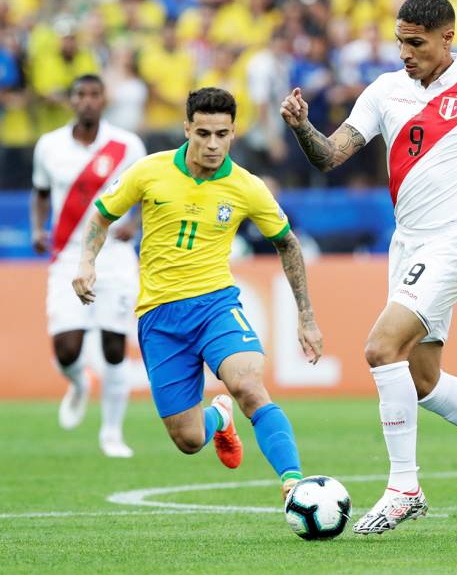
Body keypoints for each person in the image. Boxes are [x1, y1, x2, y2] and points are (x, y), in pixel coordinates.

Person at [280, 0, 457, 535]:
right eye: (400, 42)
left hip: (454, 243)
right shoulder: (385, 90)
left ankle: (403, 487)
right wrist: (301, 128)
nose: (405, 53)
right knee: (423, 378)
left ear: (447, 37)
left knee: (380, 347)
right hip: (406, 244)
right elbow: (331, 155)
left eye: (416, 43)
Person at [72, 87, 323, 502]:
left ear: (233, 133)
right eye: (203, 133)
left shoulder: (247, 187)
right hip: (159, 317)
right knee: (188, 439)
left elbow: (288, 243)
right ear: (187, 128)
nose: (211, 144)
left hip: (216, 306)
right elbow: (102, 215)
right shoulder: (149, 171)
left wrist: (307, 317)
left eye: (221, 134)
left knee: (247, 384)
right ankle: (219, 417)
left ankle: (295, 482)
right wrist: (86, 263)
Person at [31, 74, 147, 458]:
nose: (87, 101)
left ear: (104, 99)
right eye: (80, 94)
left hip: (113, 255)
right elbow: (41, 193)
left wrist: (135, 223)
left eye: (94, 94)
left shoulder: (127, 145)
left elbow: (149, 193)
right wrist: (37, 228)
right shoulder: (49, 146)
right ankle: (78, 383)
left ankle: (112, 434)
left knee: (115, 347)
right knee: (66, 349)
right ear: (71, 100)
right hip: (67, 254)